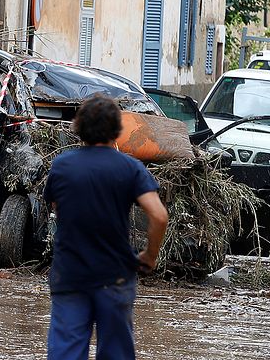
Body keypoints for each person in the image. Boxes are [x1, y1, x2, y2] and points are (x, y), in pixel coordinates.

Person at [44, 94, 169, 360]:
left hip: (70, 274)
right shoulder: (130, 168)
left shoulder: (61, 167)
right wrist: (150, 255)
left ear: (79, 127)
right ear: (117, 129)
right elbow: (158, 216)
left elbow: (56, 207)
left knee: (65, 352)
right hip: (115, 276)